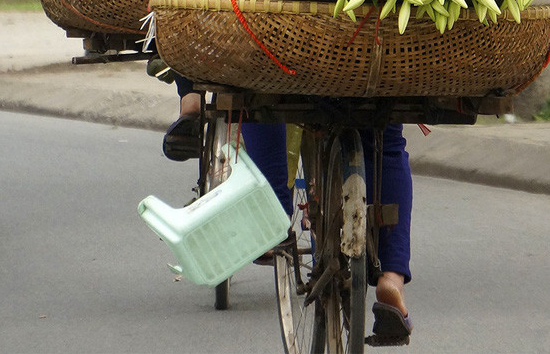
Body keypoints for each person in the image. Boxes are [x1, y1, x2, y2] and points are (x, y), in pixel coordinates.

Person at [163, 73, 413, 344]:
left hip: (292, 61)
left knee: (257, 91)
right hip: (368, 68)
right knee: (386, 139)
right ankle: (392, 276)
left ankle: (274, 215)